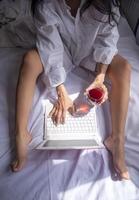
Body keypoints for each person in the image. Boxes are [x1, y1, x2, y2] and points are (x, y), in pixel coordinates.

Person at [11, 0, 131, 180]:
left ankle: (117, 140)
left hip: (91, 53)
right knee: (30, 59)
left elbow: (106, 39)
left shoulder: (106, 3)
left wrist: (99, 77)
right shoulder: (46, 5)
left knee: (124, 67)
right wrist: (61, 91)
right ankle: (21, 134)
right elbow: (51, 49)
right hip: (62, 53)